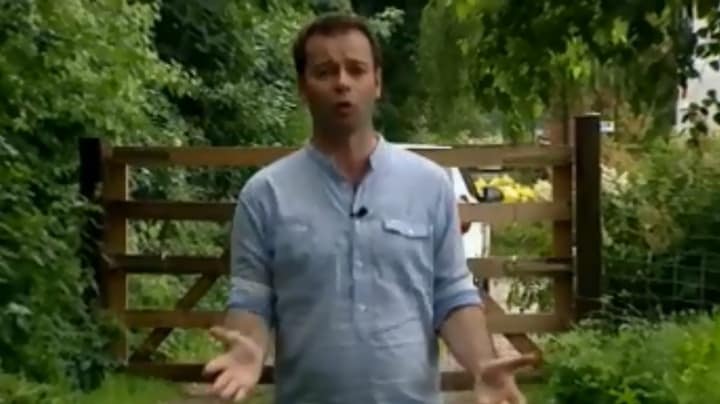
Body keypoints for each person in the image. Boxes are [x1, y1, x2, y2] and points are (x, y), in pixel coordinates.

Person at [203, 12, 536, 404]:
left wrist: (483, 365)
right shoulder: (265, 195)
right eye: (325, 72)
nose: (342, 82)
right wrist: (247, 353)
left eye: (356, 70)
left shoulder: (429, 185)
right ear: (302, 87)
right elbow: (252, 299)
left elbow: (451, 294)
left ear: (377, 82)